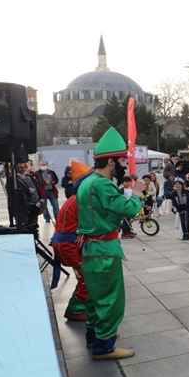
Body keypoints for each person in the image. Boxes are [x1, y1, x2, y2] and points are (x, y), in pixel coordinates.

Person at [76, 127, 142, 360]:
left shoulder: (88, 181)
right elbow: (126, 209)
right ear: (112, 161)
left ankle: (95, 337)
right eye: (122, 160)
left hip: (91, 248)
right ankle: (105, 346)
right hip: (103, 250)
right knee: (111, 298)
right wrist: (136, 194)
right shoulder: (103, 185)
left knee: (95, 297)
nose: (124, 164)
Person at [54, 161, 93, 322]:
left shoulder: (74, 199)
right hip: (68, 245)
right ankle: (75, 310)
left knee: (85, 276)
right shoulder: (80, 201)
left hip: (66, 244)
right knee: (87, 277)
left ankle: (79, 306)